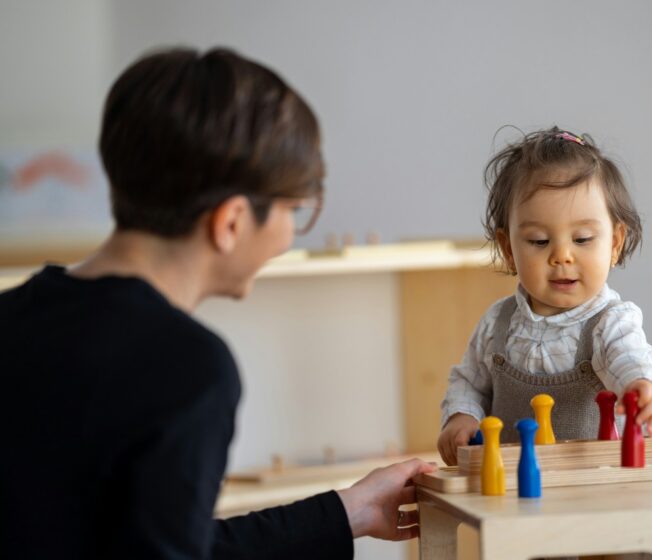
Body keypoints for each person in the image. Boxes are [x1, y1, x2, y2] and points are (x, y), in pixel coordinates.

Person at [0, 47, 435, 559]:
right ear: (230, 222)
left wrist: (350, 511)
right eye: (293, 210)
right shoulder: (185, 367)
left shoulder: (14, 317)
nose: (289, 237)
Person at [437, 128, 652, 465]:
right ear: (508, 249)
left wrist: (641, 385)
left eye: (583, 239)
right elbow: (469, 383)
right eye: (539, 241)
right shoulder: (497, 324)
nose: (562, 256)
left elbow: (628, 357)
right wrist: (462, 416)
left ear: (615, 243)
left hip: (592, 483)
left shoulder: (611, 322)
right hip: (512, 484)